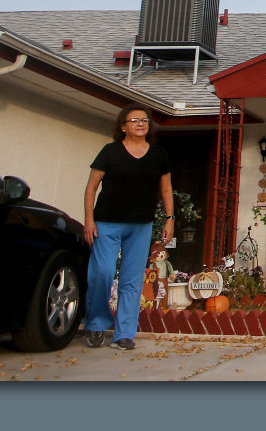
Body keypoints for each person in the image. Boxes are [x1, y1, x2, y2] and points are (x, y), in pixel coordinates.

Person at [82, 105, 174, 350]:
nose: (141, 124)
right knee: (102, 273)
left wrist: (170, 218)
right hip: (106, 224)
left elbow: (165, 189)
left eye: (144, 120)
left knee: (131, 281)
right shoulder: (109, 152)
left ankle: (124, 334)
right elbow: (91, 187)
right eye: (134, 120)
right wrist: (89, 220)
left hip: (141, 226)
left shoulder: (158, 154)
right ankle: (95, 326)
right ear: (123, 126)